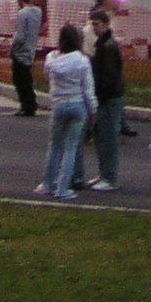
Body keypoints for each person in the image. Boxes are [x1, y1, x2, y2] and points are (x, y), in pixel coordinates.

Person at [38, 23, 97, 201]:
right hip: (77, 105)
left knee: (54, 145)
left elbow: (47, 76)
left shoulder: (51, 58)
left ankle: (47, 184)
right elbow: (88, 88)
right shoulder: (82, 60)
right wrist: (93, 109)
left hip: (58, 104)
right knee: (71, 148)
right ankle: (63, 188)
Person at [86, 8, 125, 191]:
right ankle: (103, 174)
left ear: (106, 25)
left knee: (108, 138)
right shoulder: (102, 44)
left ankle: (109, 177)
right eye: (92, 24)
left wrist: (99, 95)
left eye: (97, 24)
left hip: (109, 98)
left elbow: (109, 76)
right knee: (101, 137)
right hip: (105, 97)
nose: (94, 28)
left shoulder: (108, 46)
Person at [9, 0, 43, 116]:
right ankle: (31, 103)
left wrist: (13, 48)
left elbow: (20, 36)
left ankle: (26, 105)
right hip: (31, 48)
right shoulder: (38, 12)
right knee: (27, 78)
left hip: (21, 51)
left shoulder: (22, 13)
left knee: (19, 79)